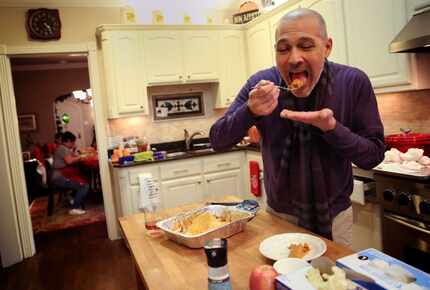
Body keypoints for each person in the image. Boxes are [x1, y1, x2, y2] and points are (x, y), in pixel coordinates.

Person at [209, 8, 385, 247]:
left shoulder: (353, 82)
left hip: (336, 217)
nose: (293, 59)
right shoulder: (260, 85)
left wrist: (333, 129)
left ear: (327, 46)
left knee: (332, 281)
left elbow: (373, 156)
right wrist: (249, 111)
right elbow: (217, 140)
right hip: (280, 216)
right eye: (283, 49)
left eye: (306, 46)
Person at [52, 131, 89, 215]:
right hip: (60, 177)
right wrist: (81, 157)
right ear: (68, 141)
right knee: (84, 185)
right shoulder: (62, 148)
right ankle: (74, 208)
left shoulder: (62, 148)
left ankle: (72, 197)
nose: (74, 144)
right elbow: (69, 161)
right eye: (73, 142)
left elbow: (71, 156)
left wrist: (76, 153)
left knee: (82, 179)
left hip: (60, 175)